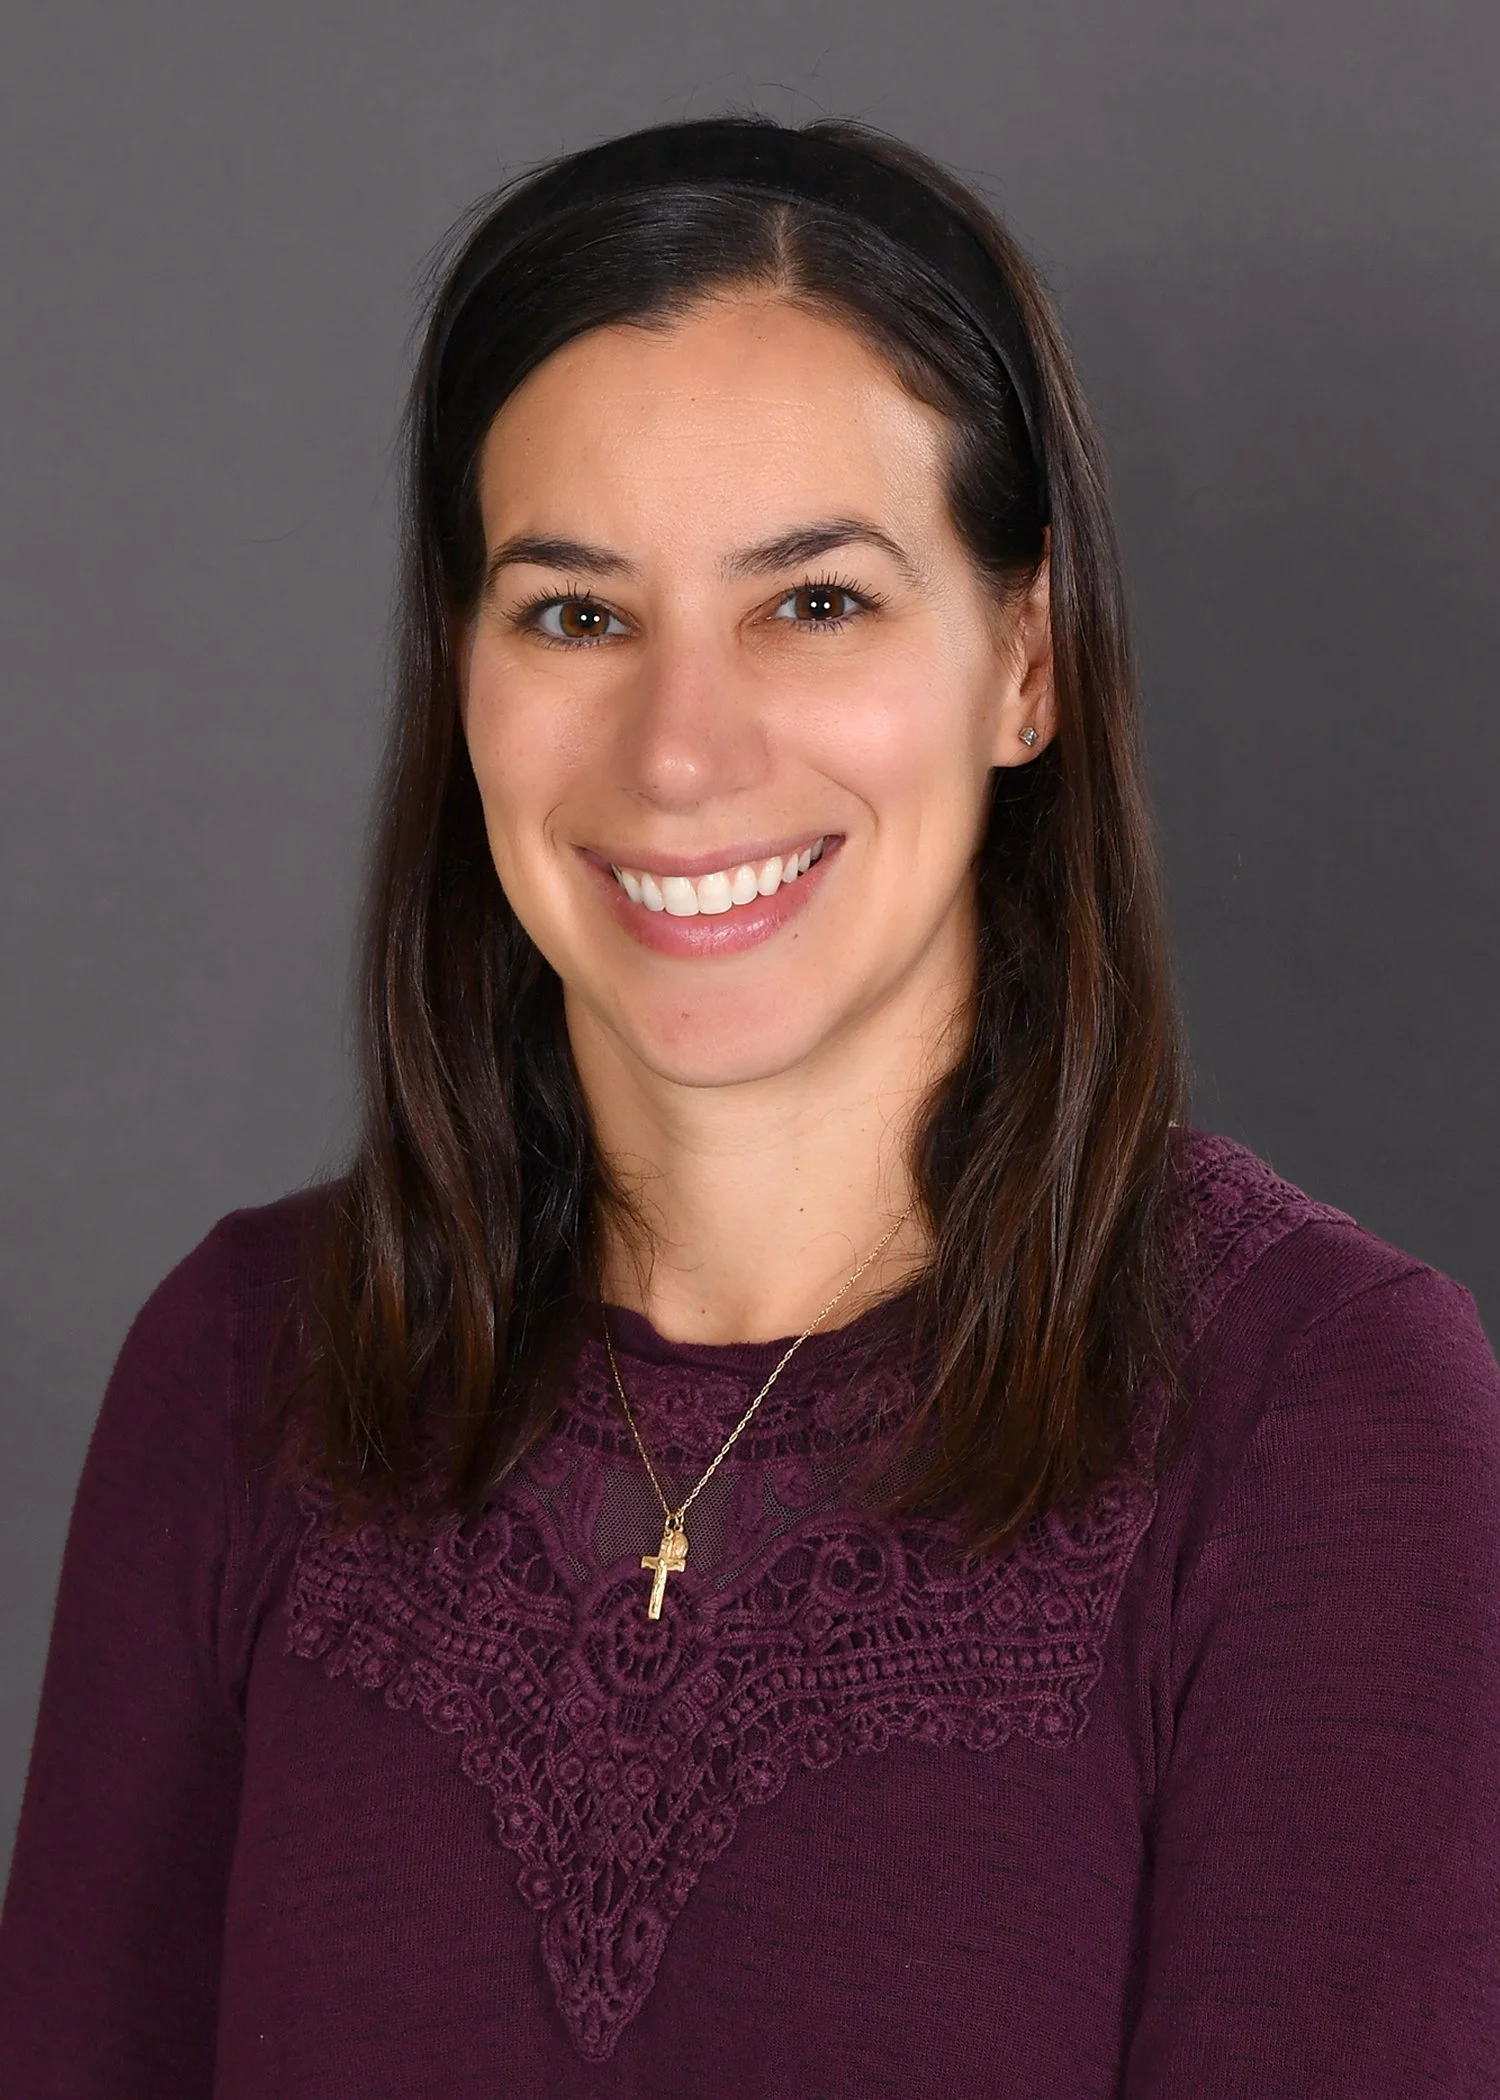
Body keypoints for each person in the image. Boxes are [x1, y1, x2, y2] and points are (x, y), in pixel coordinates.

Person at [1, 114, 1496, 2099]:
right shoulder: (242, 1370)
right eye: (575, 612)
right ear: (461, 679)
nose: (682, 750)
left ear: (1023, 660)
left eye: (813, 603)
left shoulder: (1322, 1409)